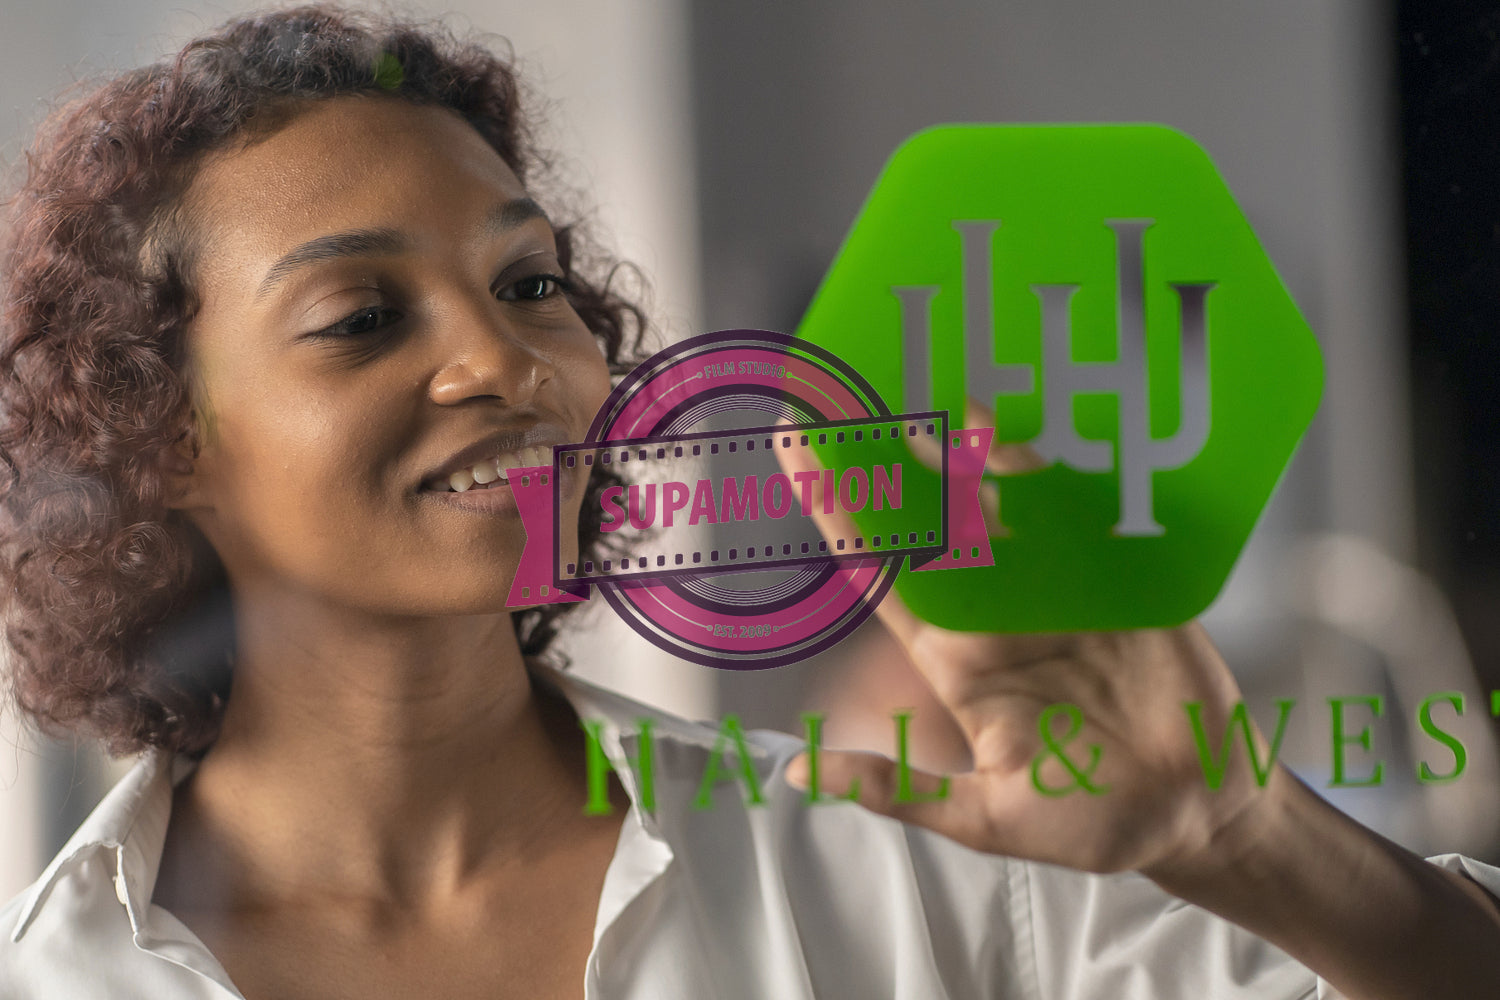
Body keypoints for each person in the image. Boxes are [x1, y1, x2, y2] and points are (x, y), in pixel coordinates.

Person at [0, 6, 1497, 998]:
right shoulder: (61, 971)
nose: (505, 361)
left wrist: (1239, 834)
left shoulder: (903, 864)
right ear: (155, 434)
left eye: (531, 285)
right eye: (361, 315)